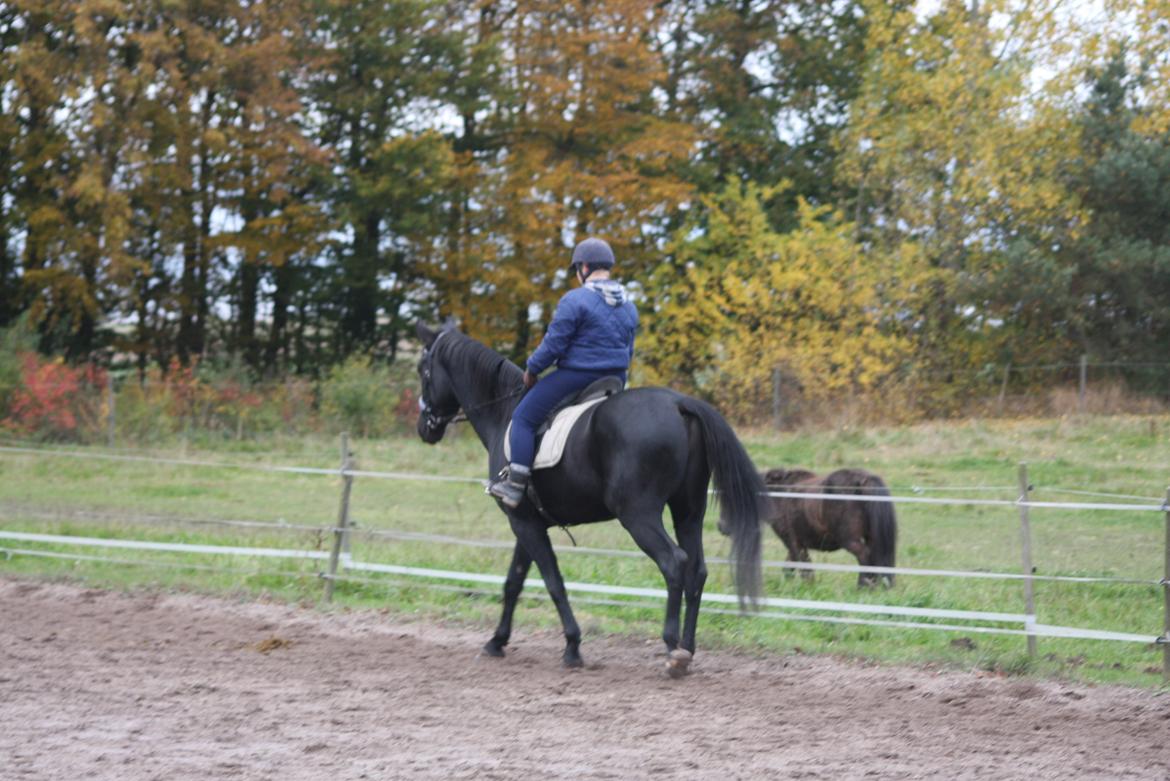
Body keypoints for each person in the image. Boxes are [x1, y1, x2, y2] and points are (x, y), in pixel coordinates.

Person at [487, 237, 638, 508]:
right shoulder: (628, 303)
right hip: (615, 378)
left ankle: (515, 484)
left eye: (577, 268)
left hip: (578, 377)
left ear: (584, 267)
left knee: (523, 417)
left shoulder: (575, 300)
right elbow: (629, 350)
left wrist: (532, 369)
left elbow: (554, 344)